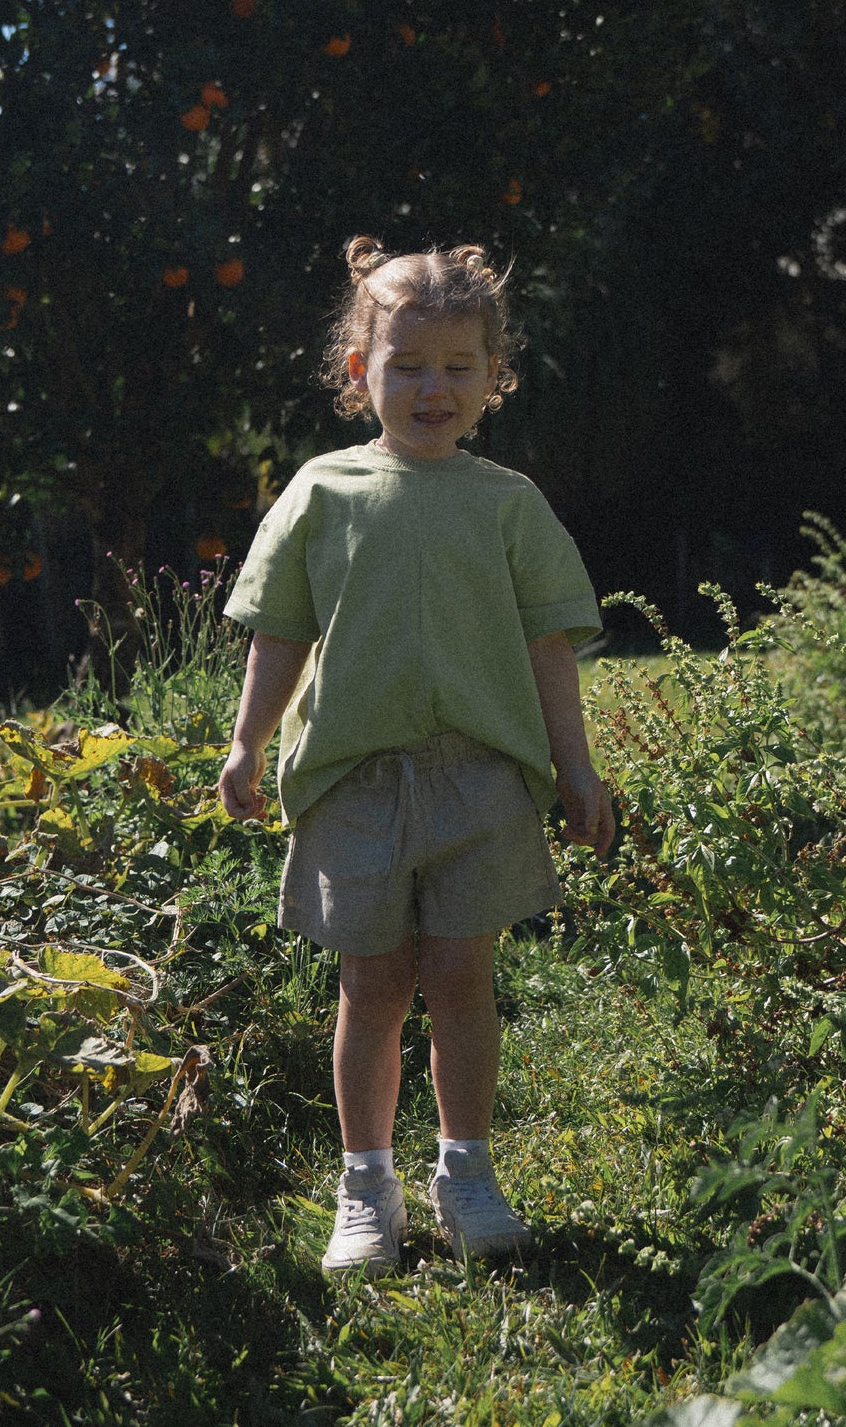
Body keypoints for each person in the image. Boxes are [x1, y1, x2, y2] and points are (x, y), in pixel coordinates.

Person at [217, 235, 614, 1277]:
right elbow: (278, 633)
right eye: (404, 364)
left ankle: (465, 1170)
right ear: (359, 371)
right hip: (353, 781)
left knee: (460, 975)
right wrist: (245, 743)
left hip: (478, 783)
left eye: (456, 367)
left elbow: (547, 649)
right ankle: (365, 1183)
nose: (430, 387)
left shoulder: (507, 502)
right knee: (373, 983)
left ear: (495, 377)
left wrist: (574, 770)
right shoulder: (322, 492)